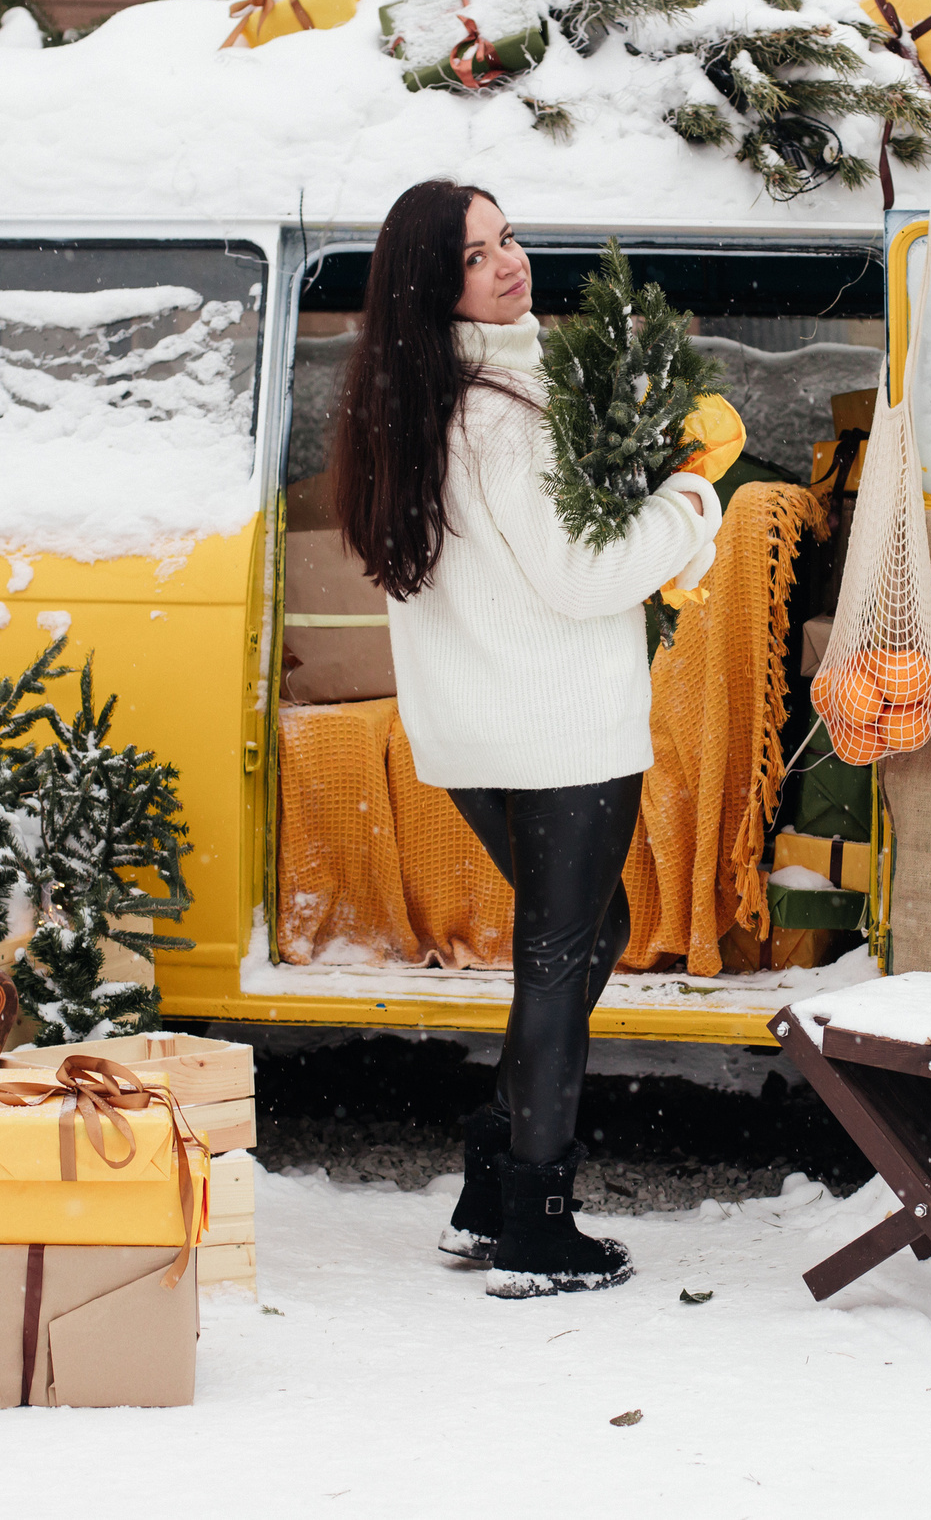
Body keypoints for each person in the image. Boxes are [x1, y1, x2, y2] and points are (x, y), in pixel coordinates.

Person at [331, 180, 722, 1298]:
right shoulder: (501, 411)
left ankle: (485, 1182)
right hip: (559, 733)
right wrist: (691, 502)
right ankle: (537, 1230)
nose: (509, 264)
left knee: (594, 936)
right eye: (474, 257)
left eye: (509, 241)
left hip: (471, 729)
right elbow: (585, 572)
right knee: (560, 963)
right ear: (430, 284)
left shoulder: (410, 397)